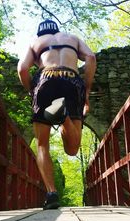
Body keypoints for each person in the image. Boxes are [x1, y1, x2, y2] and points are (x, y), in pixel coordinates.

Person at [17, 19, 96, 210]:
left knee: (42, 144)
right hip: (72, 80)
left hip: (45, 79)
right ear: (57, 31)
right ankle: (64, 117)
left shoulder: (35, 43)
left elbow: (22, 69)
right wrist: (86, 91)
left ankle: (51, 192)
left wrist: (32, 91)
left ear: (40, 34)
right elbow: (91, 58)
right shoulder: (72, 38)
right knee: (72, 149)